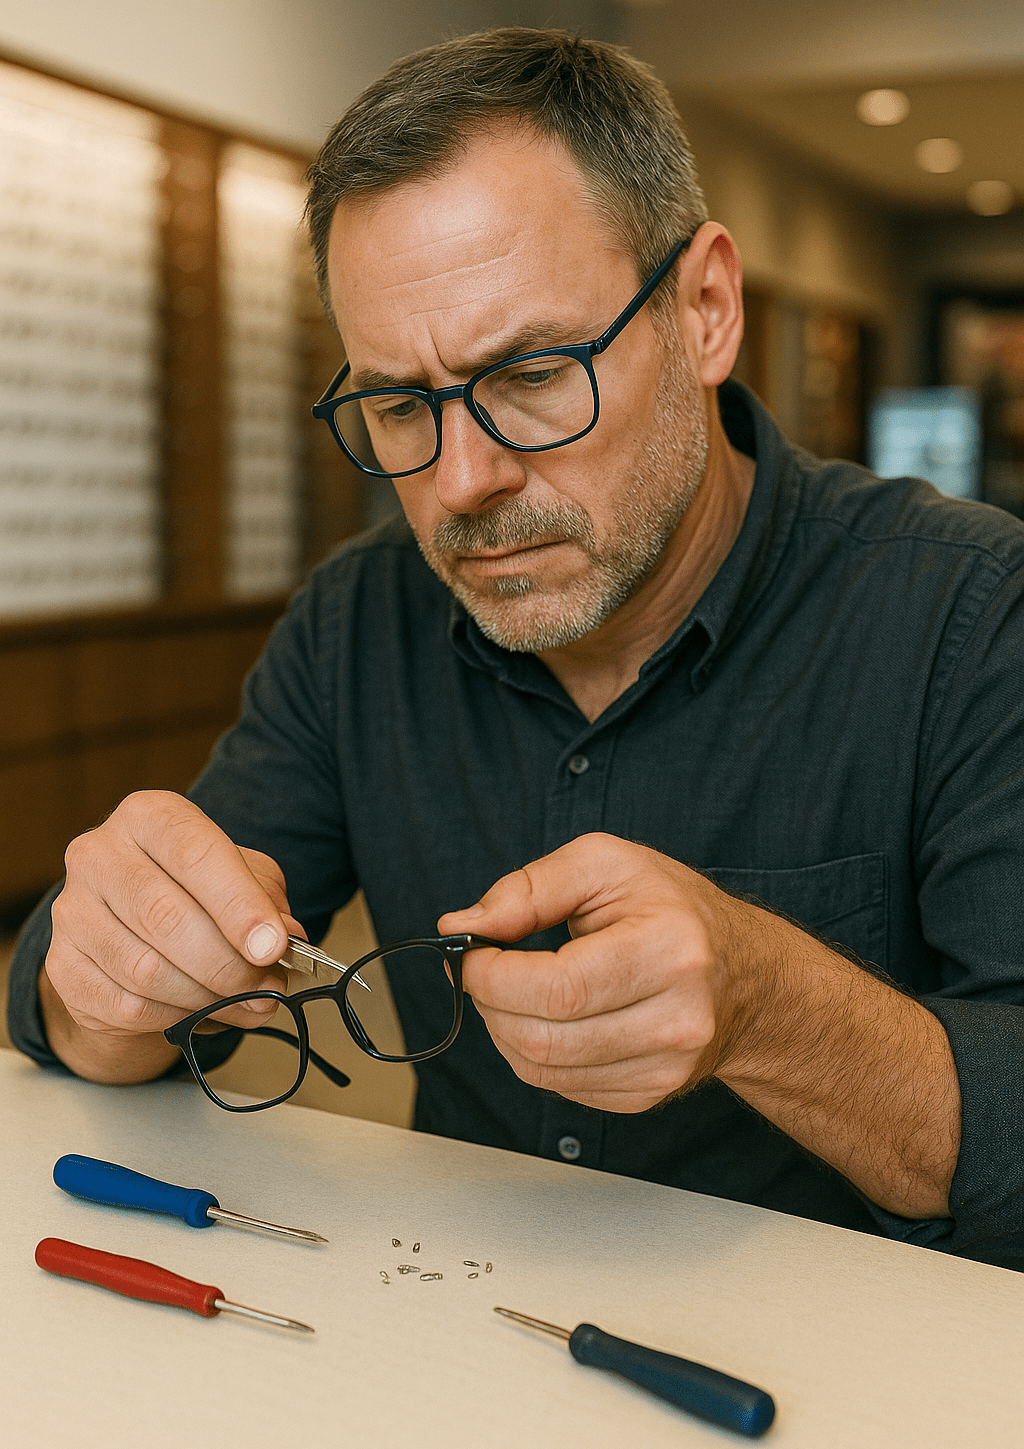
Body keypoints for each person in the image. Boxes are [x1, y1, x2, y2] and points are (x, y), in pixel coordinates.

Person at [9, 29, 1024, 1267]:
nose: (463, 482)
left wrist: (771, 1008)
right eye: (397, 404)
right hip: (473, 1345)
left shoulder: (971, 618)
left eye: (534, 372)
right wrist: (109, 982)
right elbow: (103, 1017)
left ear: (704, 312)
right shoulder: (356, 621)